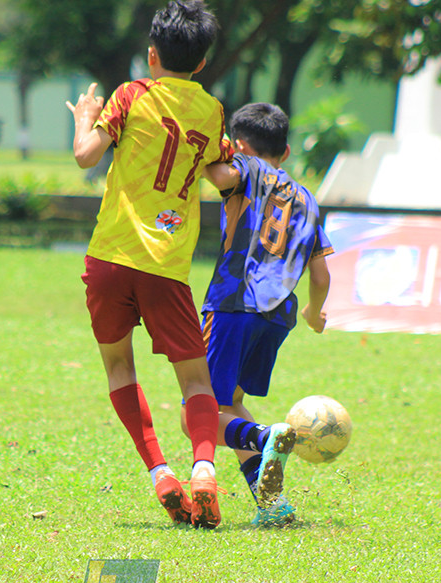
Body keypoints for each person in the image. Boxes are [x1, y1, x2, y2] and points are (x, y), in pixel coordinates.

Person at [65, 0, 233, 529]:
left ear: (151, 53)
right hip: (167, 267)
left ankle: (161, 472)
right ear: (202, 64)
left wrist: (85, 120)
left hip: (110, 259)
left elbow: (86, 156)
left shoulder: (131, 95)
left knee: (119, 367)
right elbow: (222, 175)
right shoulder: (210, 110)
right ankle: (203, 467)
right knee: (195, 381)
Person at [200, 102, 333, 527]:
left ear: (240, 146)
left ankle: (264, 437)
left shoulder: (247, 167)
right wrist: (315, 312)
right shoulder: (308, 200)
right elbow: (320, 272)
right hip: (277, 315)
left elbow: (222, 176)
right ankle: (272, 503)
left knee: (199, 411)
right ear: (287, 151)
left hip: (234, 303)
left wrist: (202, 153)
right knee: (231, 403)